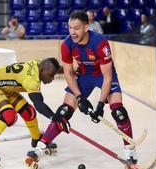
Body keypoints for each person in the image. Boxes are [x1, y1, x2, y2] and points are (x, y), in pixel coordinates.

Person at [31, 10, 138, 167]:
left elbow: (108, 77)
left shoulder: (100, 42)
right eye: (70, 28)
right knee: (65, 110)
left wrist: (100, 105)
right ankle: (41, 147)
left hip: (103, 75)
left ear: (86, 27)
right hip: (85, 76)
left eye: (77, 28)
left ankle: (129, 149)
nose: (73, 32)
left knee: (118, 112)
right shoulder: (66, 44)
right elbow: (68, 74)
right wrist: (80, 97)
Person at [0, 58, 68, 163]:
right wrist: (56, 118)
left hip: (6, 88)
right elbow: (39, 104)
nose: (52, 78)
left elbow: (57, 68)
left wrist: (72, 71)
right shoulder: (30, 80)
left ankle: (36, 138)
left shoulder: (38, 65)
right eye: (51, 75)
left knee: (29, 112)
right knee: (9, 115)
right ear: (42, 71)